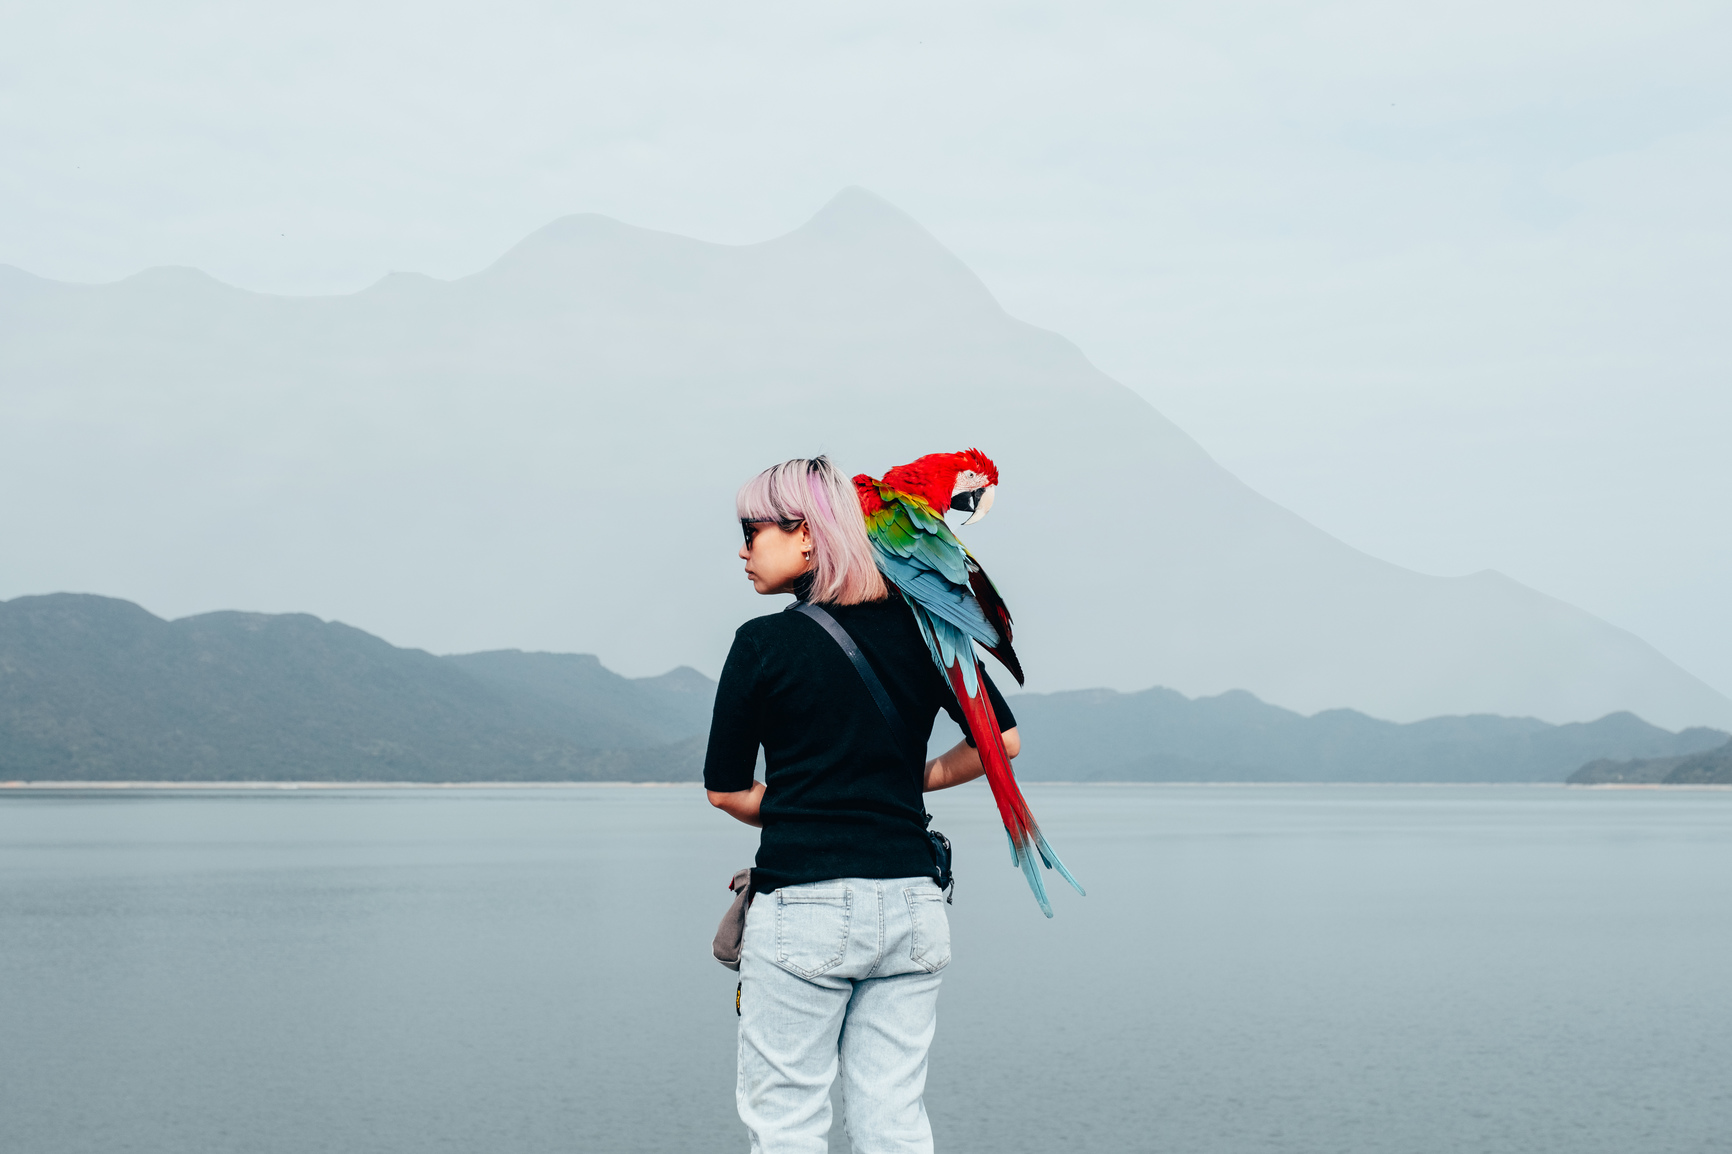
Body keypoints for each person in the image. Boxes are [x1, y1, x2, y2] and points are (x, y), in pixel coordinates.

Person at [705, 456, 1021, 1154]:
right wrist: (905, 783)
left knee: (788, 1123)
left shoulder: (762, 643)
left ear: (807, 536)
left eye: (752, 530)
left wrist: (805, 804)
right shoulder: (923, 628)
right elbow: (1004, 741)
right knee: (894, 1123)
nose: (742, 549)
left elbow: (726, 790)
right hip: (913, 904)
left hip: (804, 908)